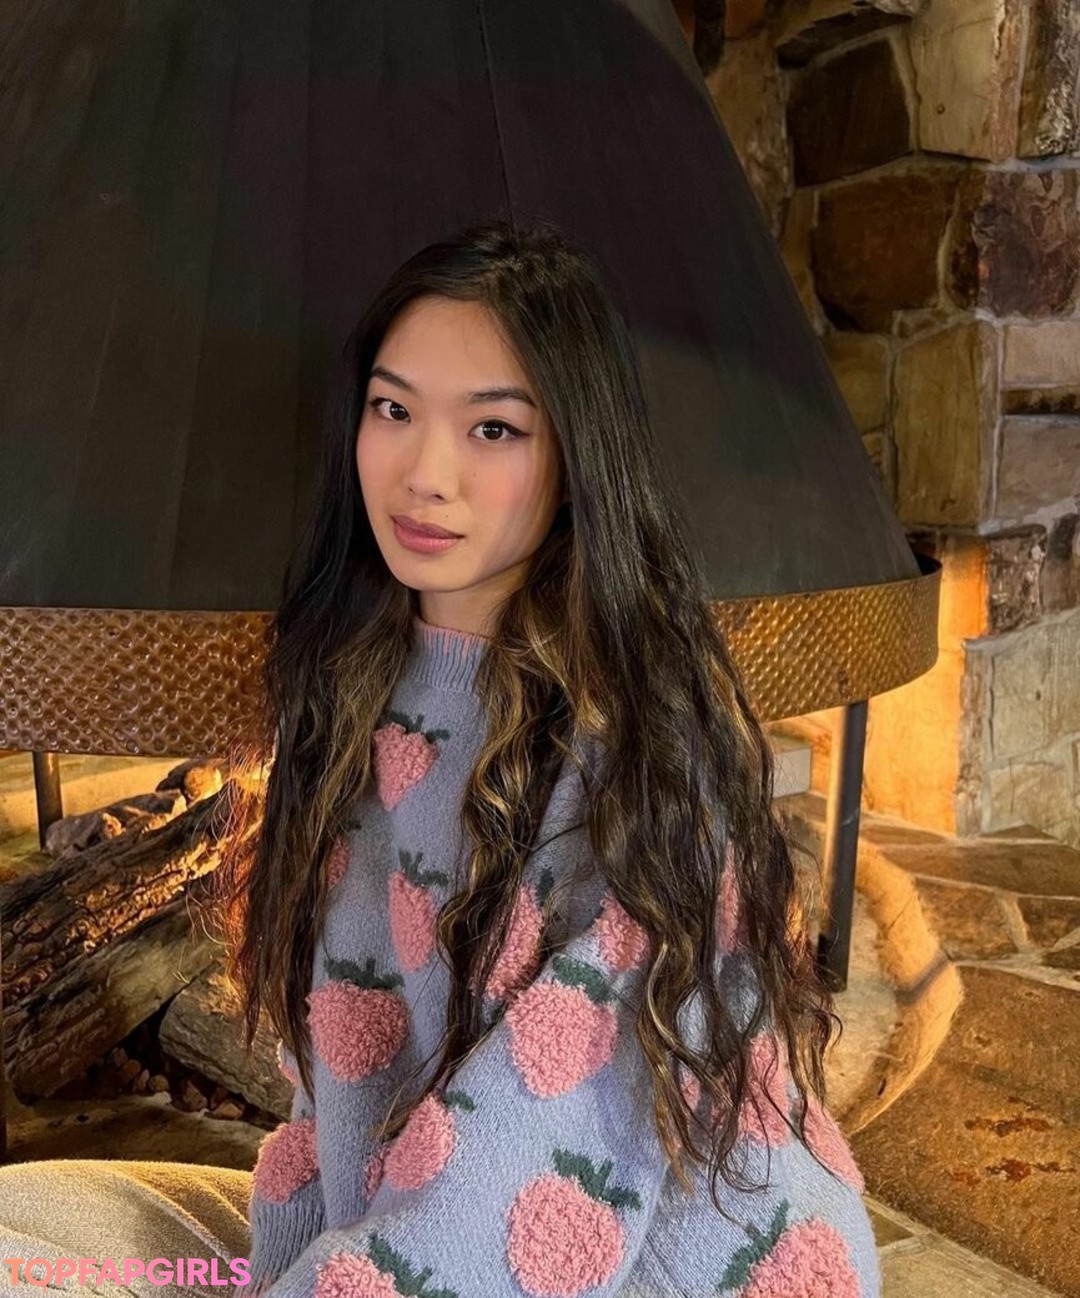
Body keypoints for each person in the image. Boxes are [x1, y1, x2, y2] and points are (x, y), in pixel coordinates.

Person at [219, 216, 881, 1298]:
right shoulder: (341, 693)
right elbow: (336, 1074)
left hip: (675, 1262)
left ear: (576, 461)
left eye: (494, 429)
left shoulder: (634, 754)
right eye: (394, 409)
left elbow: (536, 1166)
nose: (424, 474)